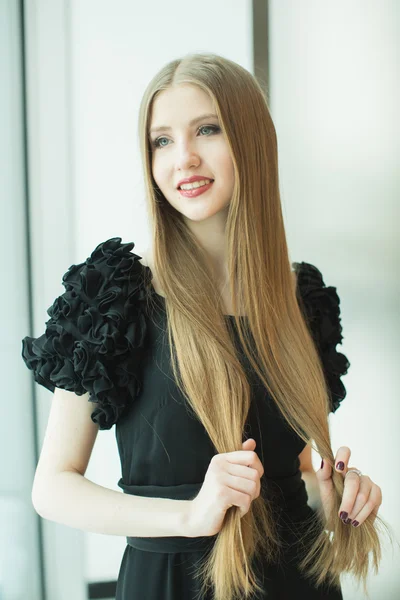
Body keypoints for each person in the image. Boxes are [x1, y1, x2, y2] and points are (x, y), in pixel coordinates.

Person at [21, 53, 391, 600]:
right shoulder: (115, 295)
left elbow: (296, 472)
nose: (184, 158)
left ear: (252, 140)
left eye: (207, 129)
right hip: (172, 584)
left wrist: (337, 497)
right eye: (161, 141)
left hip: (299, 581)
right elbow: (53, 489)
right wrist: (191, 515)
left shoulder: (299, 297)